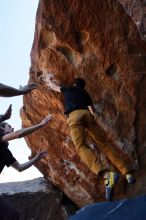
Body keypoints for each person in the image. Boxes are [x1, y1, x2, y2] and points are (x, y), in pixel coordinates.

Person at [44, 75, 135, 201]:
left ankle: (107, 175)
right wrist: (94, 117)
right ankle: (126, 172)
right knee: (105, 144)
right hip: (87, 114)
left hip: (74, 116)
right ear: (83, 86)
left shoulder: (69, 89)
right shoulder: (85, 93)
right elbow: (92, 110)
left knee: (81, 146)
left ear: (74, 84)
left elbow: (55, 87)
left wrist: (48, 81)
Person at [0, 113, 52, 219]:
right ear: (1, 128)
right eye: (9, 126)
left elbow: (20, 168)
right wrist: (40, 125)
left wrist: (36, 158)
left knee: (12, 215)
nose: (13, 127)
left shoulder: (6, 153)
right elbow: (19, 133)